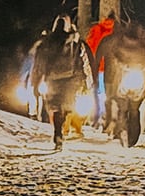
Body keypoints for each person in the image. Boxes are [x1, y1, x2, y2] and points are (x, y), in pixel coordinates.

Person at [23, 14, 94, 150]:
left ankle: (58, 133)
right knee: (66, 107)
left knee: (55, 108)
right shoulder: (74, 41)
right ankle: (60, 130)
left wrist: (36, 81)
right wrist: (84, 80)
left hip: (52, 79)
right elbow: (82, 61)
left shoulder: (47, 41)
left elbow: (39, 63)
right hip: (70, 80)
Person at [85, 13, 115, 117]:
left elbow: (90, 44)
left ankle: (96, 114)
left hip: (96, 64)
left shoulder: (96, 29)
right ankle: (106, 114)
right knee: (108, 92)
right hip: (110, 66)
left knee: (95, 91)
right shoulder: (117, 32)